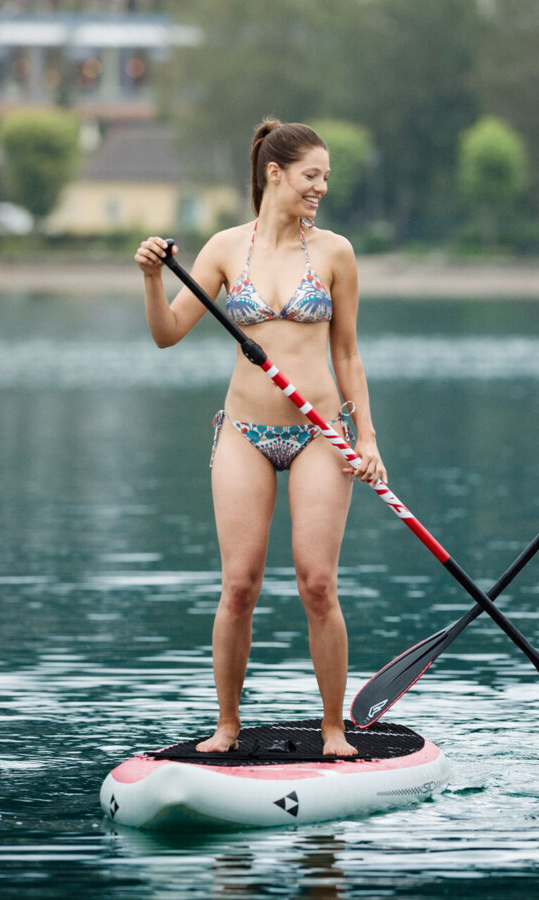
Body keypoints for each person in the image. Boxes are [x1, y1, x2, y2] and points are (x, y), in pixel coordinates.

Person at [135, 118, 387, 756]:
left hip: (320, 435)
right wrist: (152, 278)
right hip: (244, 432)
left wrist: (368, 438)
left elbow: (348, 355)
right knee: (240, 585)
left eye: (325, 177)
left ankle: (334, 730)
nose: (321, 187)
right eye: (311, 175)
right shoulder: (224, 249)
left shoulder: (335, 252)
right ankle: (227, 726)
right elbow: (167, 334)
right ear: (275, 173)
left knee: (317, 585)